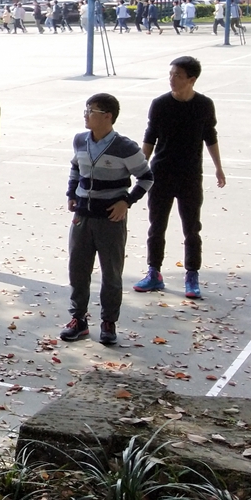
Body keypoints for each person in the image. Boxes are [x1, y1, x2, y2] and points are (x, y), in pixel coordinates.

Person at [61, 93, 153, 346]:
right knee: (78, 270)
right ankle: (77, 320)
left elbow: (146, 177)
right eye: (86, 109)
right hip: (82, 217)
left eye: (91, 110)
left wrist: (127, 201)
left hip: (110, 220)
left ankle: (108, 322)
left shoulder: (126, 147)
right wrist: (71, 193)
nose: (86, 114)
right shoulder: (80, 140)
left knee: (111, 272)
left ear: (108, 116)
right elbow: (75, 168)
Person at [134, 56, 226, 300]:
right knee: (157, 226)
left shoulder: (204, 105)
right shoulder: (160, 104)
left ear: (191, 80)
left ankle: (192, 274)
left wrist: (218, 167)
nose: (172, 79)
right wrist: (141, 168)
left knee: (192, 228)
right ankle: (154, 273)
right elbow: (150, 137)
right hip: (161, 174)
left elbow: (210, 136)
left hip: (190, 175)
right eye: (171, 74)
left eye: (178, 75)